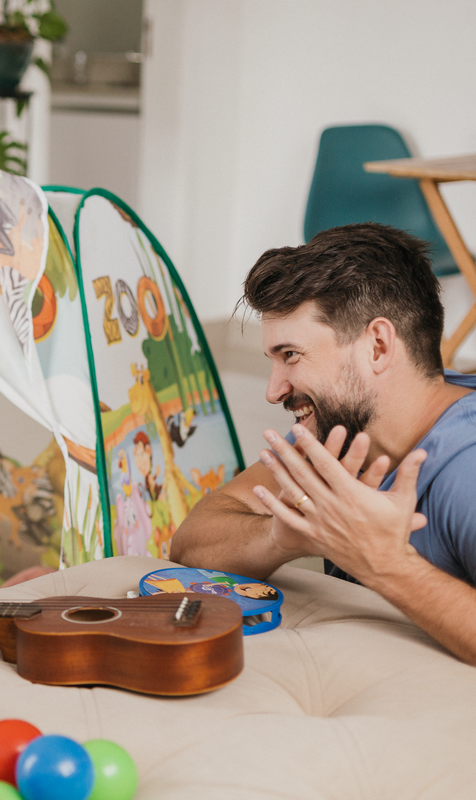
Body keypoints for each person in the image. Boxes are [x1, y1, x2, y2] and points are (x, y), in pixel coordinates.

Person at [170, 222, 476, 665]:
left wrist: (383, 563)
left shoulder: (466, 467)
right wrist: (279, 537)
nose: (273, 391)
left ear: (376, 346)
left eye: (290, 355)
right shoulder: (342, 430)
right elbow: (192, 543)